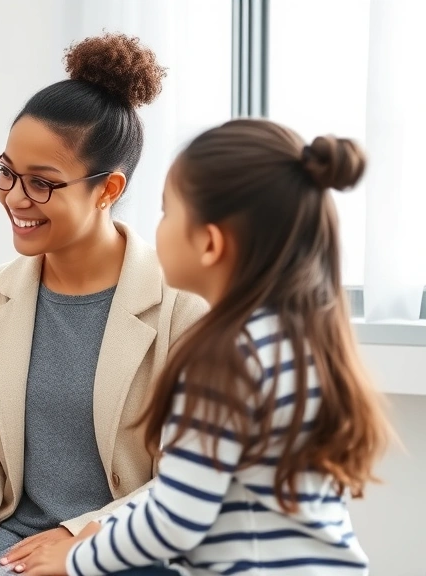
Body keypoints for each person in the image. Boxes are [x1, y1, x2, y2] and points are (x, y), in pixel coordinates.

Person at [0, 33, 207, 576]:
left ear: (107, 189)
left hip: (122, 541)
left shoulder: (181, 309)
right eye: (7, 172)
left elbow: (183, 482)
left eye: (42, 183)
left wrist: (77, 540)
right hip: (9, 536)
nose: (14, 197)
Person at [21, 119, 392, 575]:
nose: (154, 229)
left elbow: (176, 519)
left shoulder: (225, 359)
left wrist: (76, 558)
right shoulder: (299, 339)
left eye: (166, 212)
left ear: (210, 243)